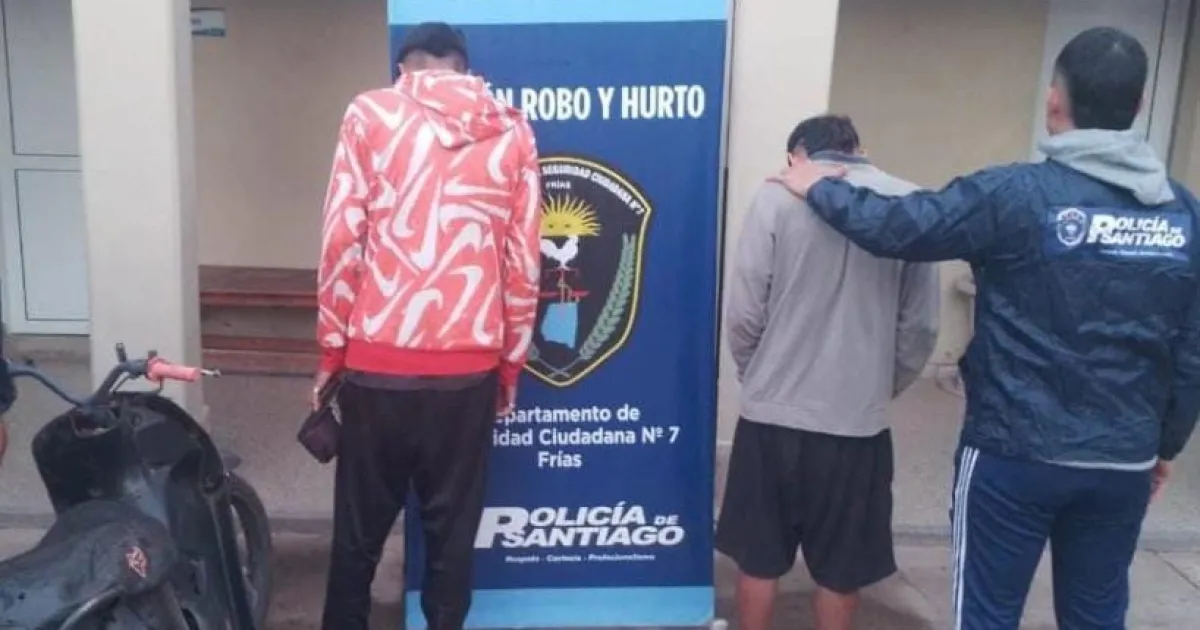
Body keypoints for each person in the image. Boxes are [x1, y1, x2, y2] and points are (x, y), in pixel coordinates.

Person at [774, 27, 1200, 630]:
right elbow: (1191, 351)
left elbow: (903, 226)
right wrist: (1165, 446)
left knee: (986, 616)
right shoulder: (1184, 215)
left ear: (1055, 100)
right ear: (1138, 105)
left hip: (1011, 454)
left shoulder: (1012, 194)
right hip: (1121, 460)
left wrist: (818, 187)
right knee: (1097, 614)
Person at [313, 22, 541, 630]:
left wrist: (332, 352)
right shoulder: (512, 129)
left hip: (377, 364)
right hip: (469, 369)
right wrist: (509, 366)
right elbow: (524, 261)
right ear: (463, 68)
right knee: (452, 538)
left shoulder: (369, 114)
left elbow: (341, 239)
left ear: (403, 69)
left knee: (357, 537)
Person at [717, 114, 939, 630]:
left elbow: (745, 311)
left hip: (771, 419)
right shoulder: (907, 201)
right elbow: (921, 326)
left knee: (758, 557)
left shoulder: (775, 197)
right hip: (855, 424)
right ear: (858, 148)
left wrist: (761, 376)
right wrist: (879, 385)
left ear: (797, 156)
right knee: (842, 567)